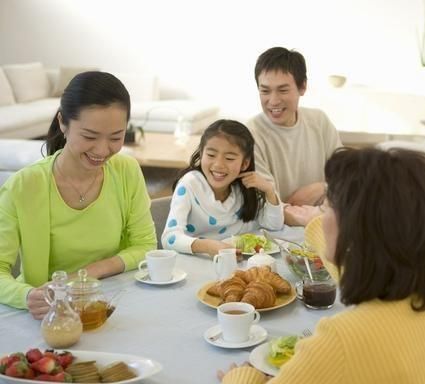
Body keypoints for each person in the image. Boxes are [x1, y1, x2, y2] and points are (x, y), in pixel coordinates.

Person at [219, 147, 425, 383]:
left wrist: (243, 376)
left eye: (326, 206)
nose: (320, 213)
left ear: (354, 230)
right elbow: (365, 256)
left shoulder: (342, 339)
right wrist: (320, 227)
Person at [0, 71, 156, 319]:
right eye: (89, 136)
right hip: (50, 312)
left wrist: (88, 273)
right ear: (63, 122)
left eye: (116, 137)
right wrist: (27, 296)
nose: (102, 150)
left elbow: (145, 245)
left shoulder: (126, 170)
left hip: (113, 302)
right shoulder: (24, 185)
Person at [247, 46, 342, 225]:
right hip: (276, 228)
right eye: (265, 91)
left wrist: (322, 187)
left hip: (323, 222)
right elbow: (266, 205)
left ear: (303, 86)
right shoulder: (250, 135)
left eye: (283, 90)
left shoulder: (319, 121)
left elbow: (346, 178)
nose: (273, 101)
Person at [161, 119, 284, 256]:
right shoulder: (190, 184)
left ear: (244, 163)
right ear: (201, 154)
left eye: (230, 158)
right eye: (211, 155)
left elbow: (274, 226)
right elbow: (169, 238)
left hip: (239, 263)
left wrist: (269, 190)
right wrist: (208, 246)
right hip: (198, 262)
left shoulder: (244, 187)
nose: (218, 164)